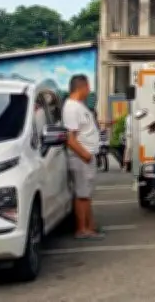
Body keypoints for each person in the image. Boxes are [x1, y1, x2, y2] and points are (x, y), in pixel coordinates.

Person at [62, 74, 104, 239]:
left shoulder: (78, 106)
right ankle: (82, 229)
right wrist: (85, 155)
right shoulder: (72, 108)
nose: (89, 90)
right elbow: (70, 137)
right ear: (81, 87)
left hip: (87, 156)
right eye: (88, 87)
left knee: (86, 193)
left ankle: (90, 226)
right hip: (81, 158)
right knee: (82, 194)